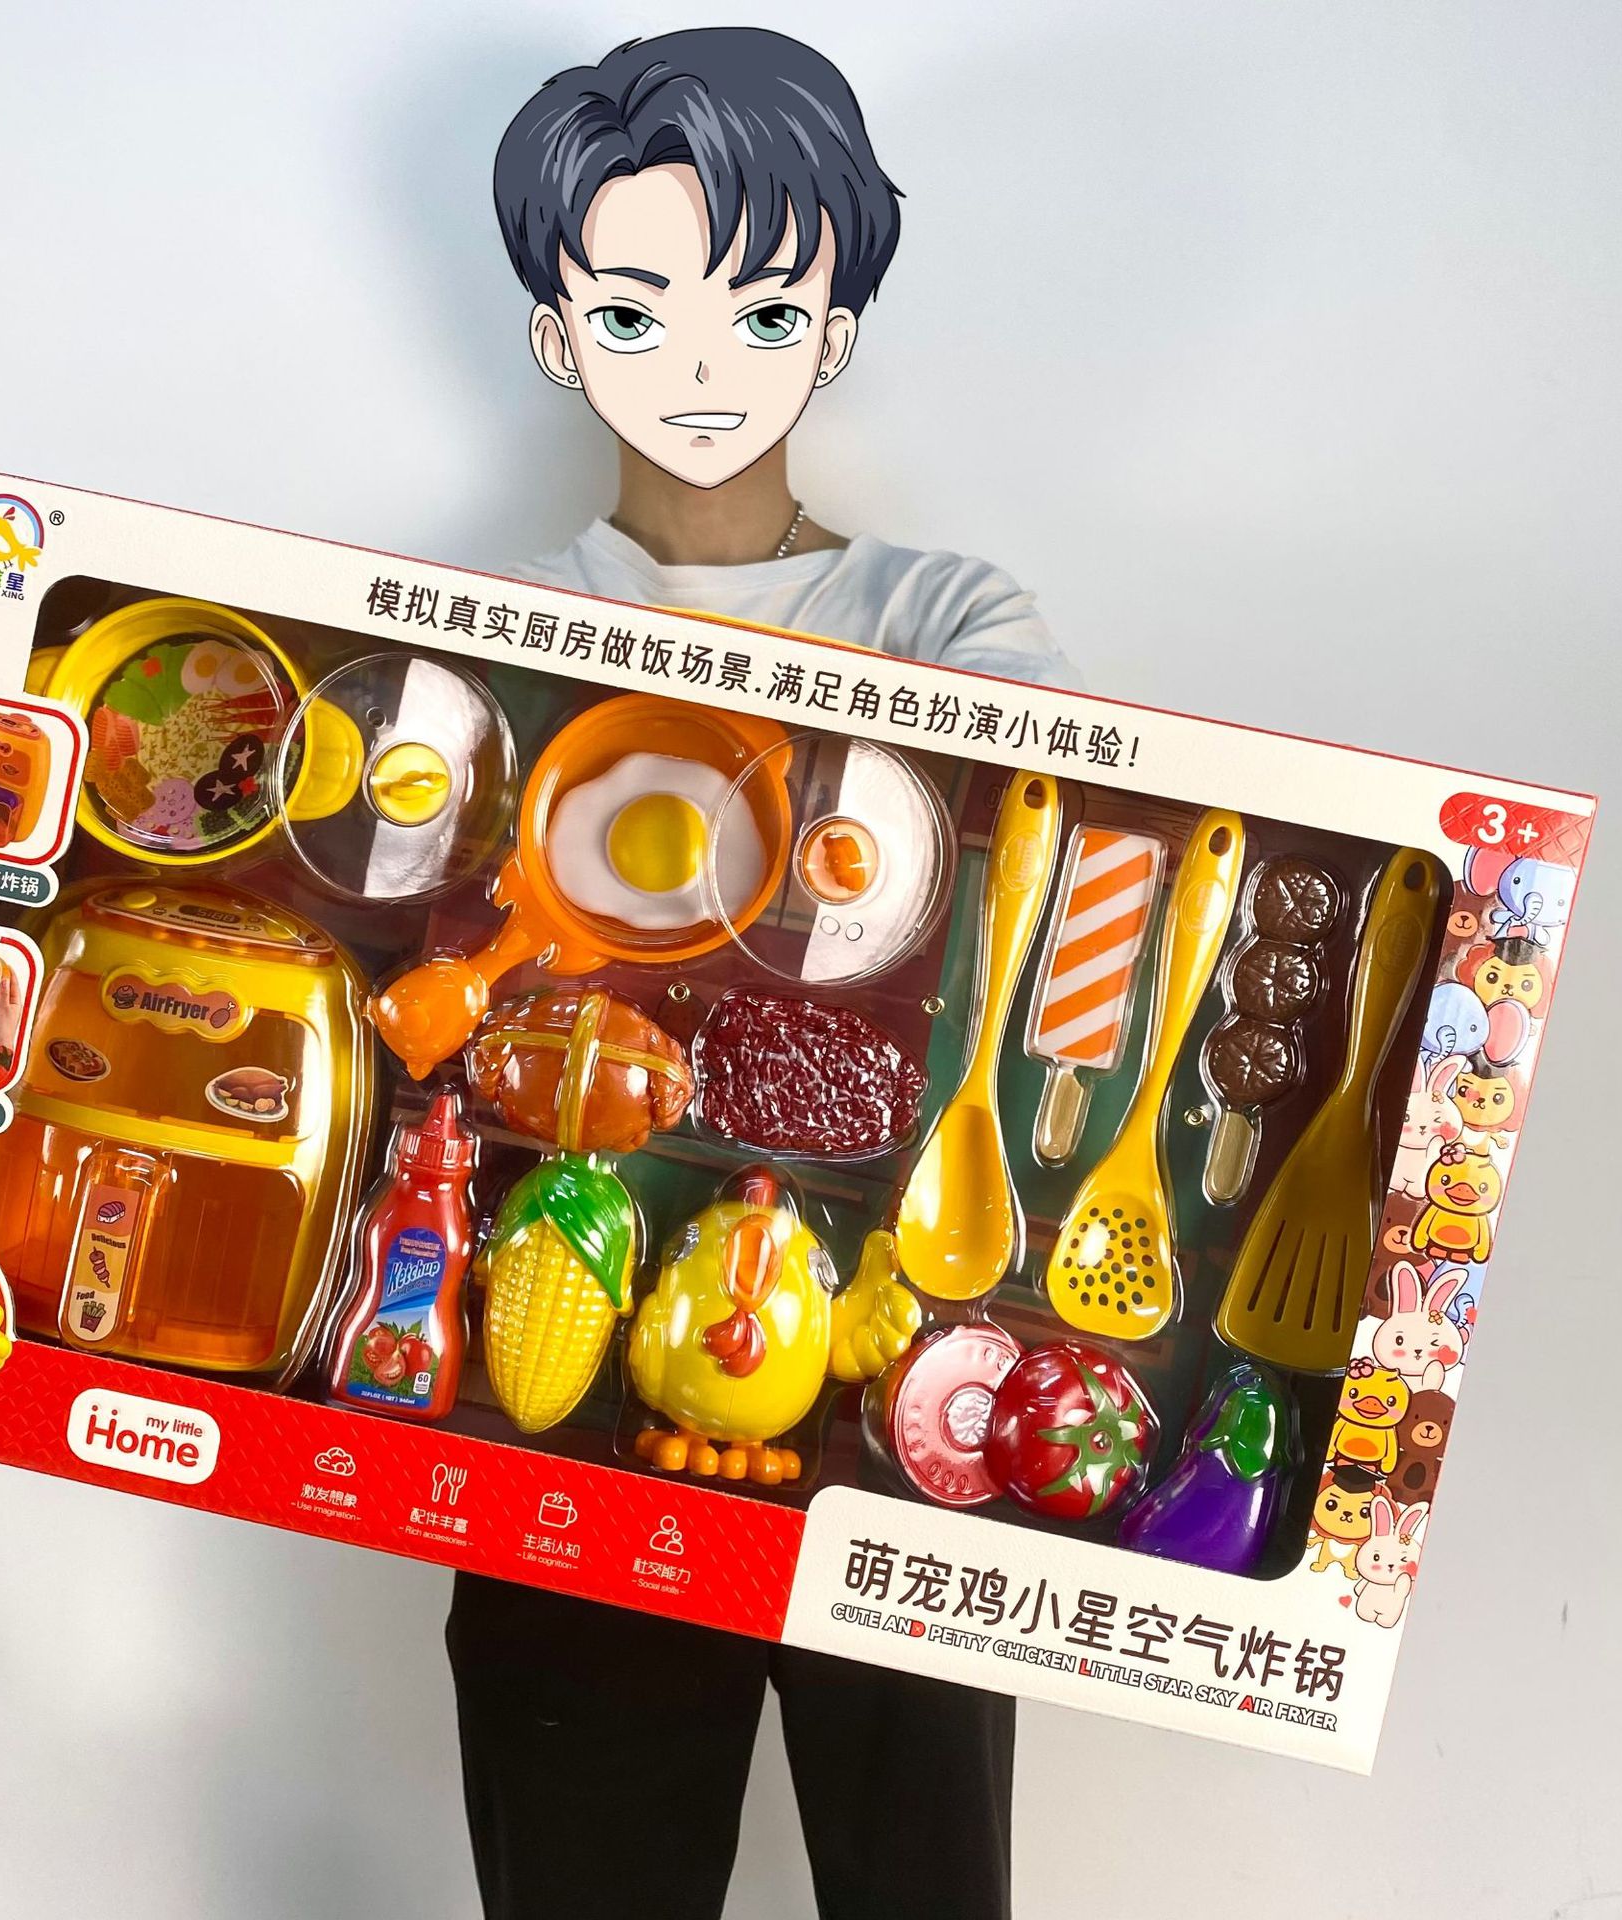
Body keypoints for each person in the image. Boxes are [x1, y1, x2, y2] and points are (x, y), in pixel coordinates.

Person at [446, 30, 1073, 1920]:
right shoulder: (499, 628)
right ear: (560, 332)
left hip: (894, 1393)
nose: (704, 363)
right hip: (581, 1389)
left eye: (764, 306)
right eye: (638, 310)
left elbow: (1017, 880)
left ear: (836, 326)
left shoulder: (951, 615)